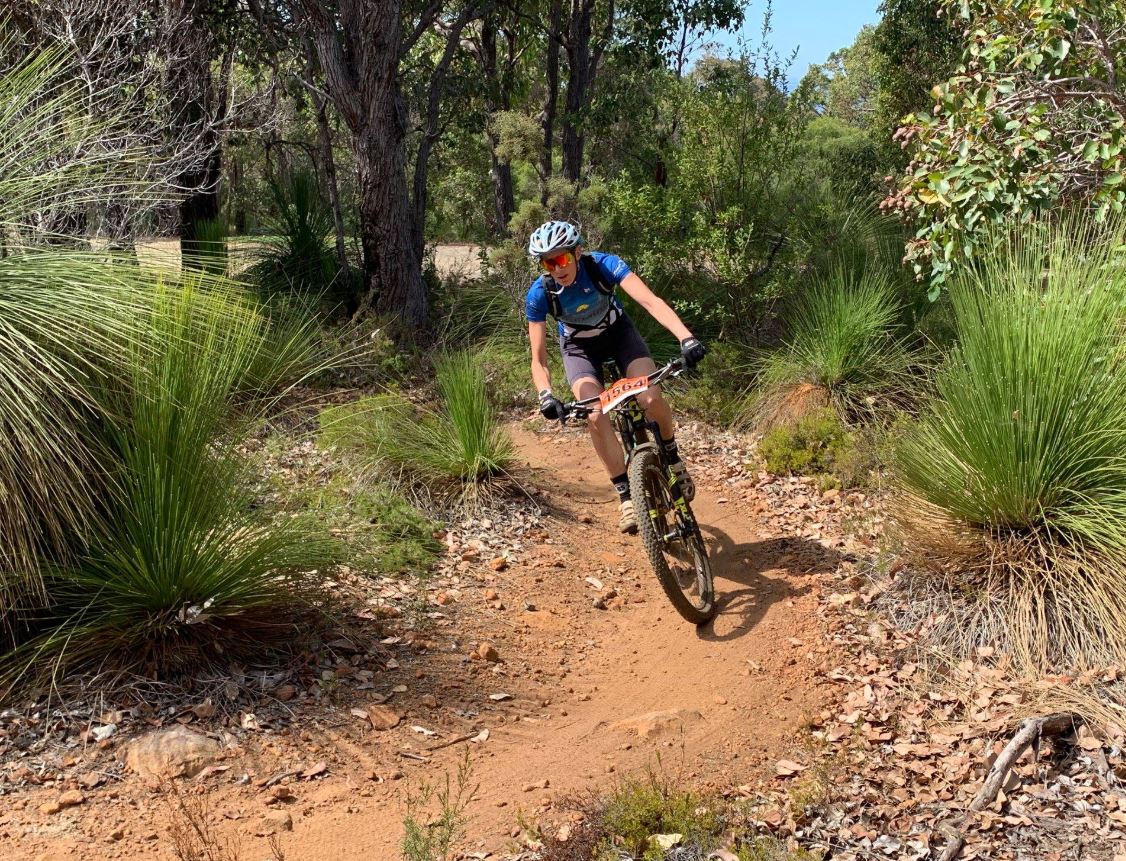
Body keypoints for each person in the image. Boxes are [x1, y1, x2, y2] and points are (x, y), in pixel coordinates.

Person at [524, 219, 707, 534]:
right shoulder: (541, 293)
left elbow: (650, 301)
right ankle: (625, 495)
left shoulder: (604, 265)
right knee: (593, 414)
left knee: (649, 395)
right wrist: (545, 394)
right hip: (579, 349)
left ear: (578, 252)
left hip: (620, 336)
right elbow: (538, 359)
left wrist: (685, 337)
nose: (556, 268)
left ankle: (672, 456)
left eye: (562, 258)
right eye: (547, 262)